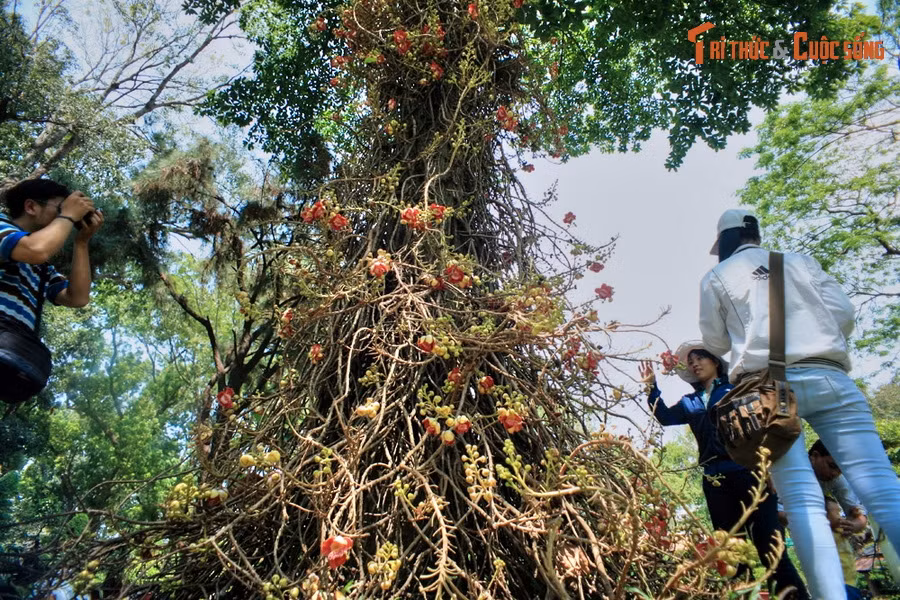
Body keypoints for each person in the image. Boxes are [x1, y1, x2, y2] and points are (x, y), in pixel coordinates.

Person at [699, 208, 900, 600]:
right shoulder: (801, 262)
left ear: (723, 242)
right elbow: (843, 313)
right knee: (881, 486)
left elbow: (716, 342)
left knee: (803, 504)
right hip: (828, 374)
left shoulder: (717, 276)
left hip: (768, 394)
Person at [639, 341, 808, 598]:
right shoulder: (690, 402)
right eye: (691, 361)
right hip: (715, 479)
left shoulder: (735, 389)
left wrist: (769, 468)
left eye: (700, 358)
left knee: (769, 544)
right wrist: (651, 386)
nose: (695, 363)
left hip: (748, 472)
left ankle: (795, 595)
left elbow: (761, 429)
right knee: (730, 551)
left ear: (715, 361)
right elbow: (664, 417)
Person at [0, 178, 103, 401]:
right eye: (59, 208)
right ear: (31, 207)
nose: (67, 215)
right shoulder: (1, 227)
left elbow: (78, 297)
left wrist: (82, 242)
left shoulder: (42, 269)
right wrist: (68, 216)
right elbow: (36, 249)